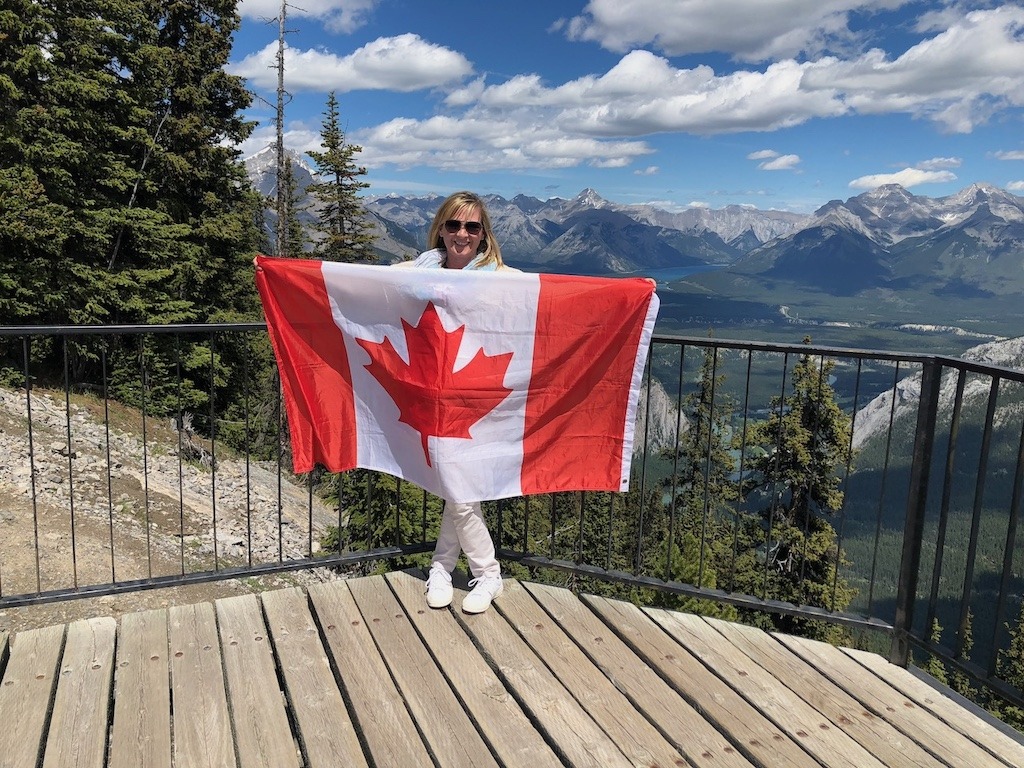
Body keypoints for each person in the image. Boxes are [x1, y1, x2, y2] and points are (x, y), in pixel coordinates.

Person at [397, 191, 517, 613]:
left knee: (460, 489)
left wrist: (627, 293)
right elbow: (368, 283)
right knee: (458, 486)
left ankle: (483, 573)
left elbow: (544, 296)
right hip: (435, 397)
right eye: (453, 224)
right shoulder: (420, 270)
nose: (461, 234)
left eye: (471, 226)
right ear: (441, 229)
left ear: (483, 234)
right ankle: (446, 568)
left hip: (479, 398)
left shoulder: (500, 276)